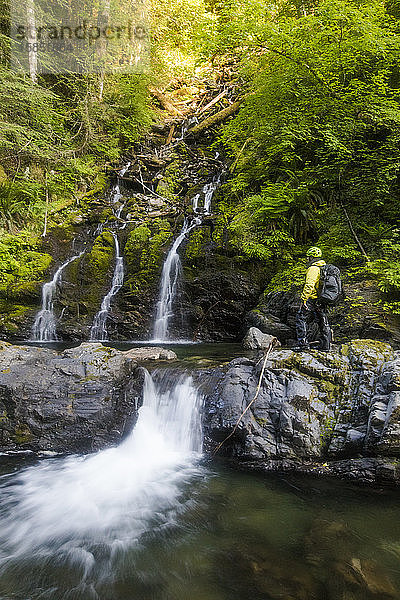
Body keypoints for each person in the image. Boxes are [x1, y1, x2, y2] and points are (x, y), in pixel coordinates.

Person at [294, 246, 332, 352]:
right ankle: (325, 346)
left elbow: (309, 285)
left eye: (308, 257)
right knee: (323, 321)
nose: (307, 259)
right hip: (322, 299)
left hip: (312, 298)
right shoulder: (324, 267)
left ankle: (303, 345)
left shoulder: (313, 269)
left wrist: (304, 299)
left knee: (301, 318)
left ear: (311, 257)